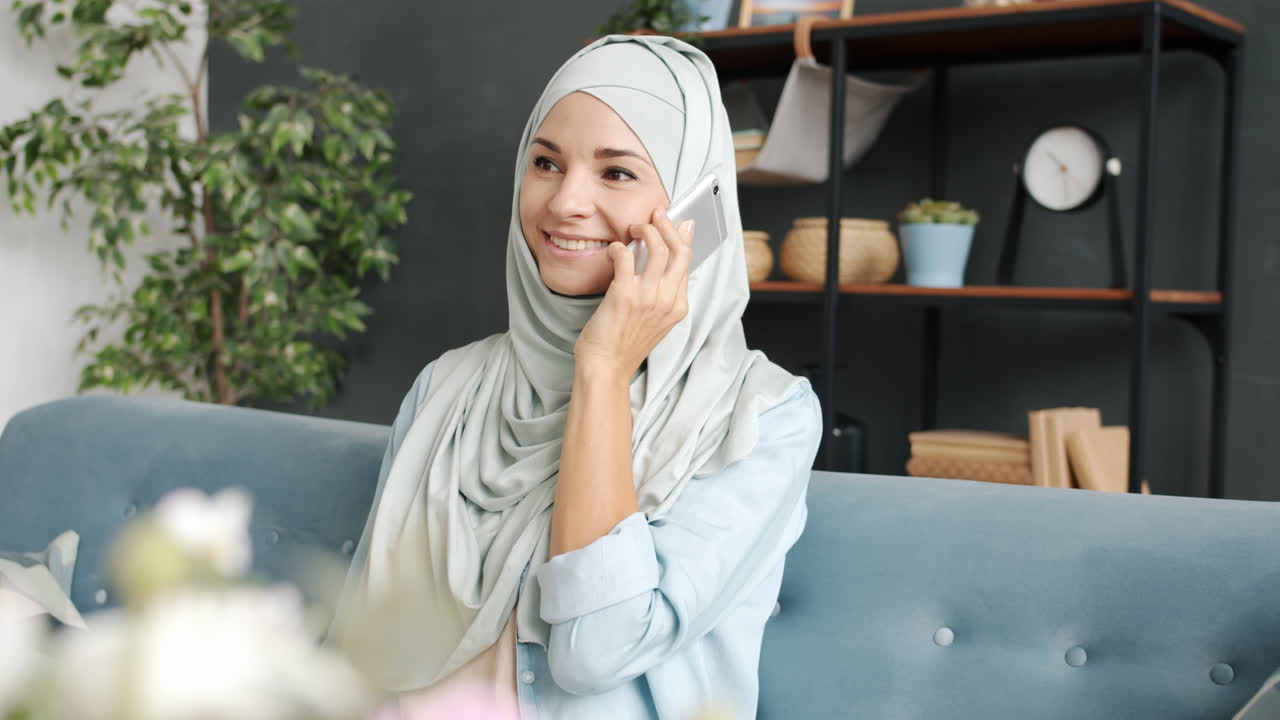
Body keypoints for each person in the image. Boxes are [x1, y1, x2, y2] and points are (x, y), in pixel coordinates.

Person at [327, 33, 822, 720]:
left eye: (616, 173)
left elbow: (595, 650)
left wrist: (604, 367)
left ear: (692, 209)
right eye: (546, 163)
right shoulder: (449, 389)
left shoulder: (762, 417)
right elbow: (361, 646)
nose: (564, 204)